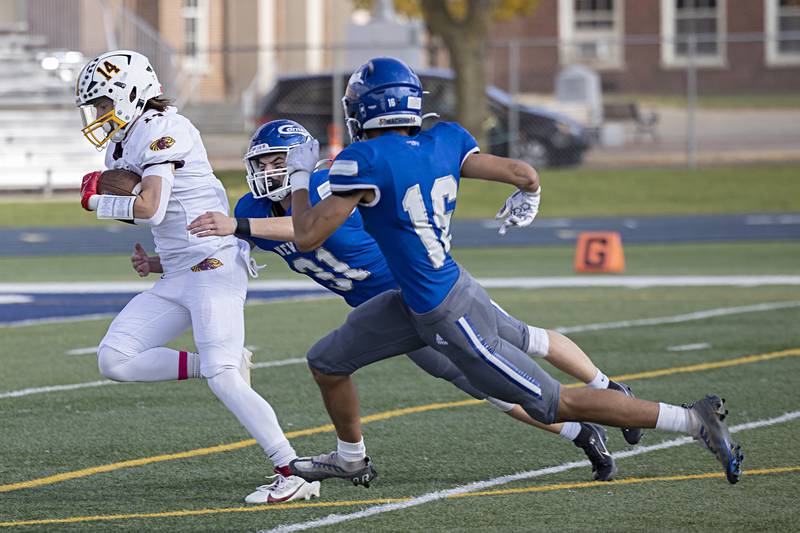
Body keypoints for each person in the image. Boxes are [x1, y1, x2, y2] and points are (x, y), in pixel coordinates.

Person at [282, 57, 743, 487]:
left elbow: (306, 235)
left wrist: (301, 178)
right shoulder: (444, 139)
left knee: (555, 404)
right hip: (432, 292)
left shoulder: (365, 161)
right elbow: (524, 171)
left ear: (365, 110)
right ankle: (350, 457)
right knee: (327, 362)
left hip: (446, 314)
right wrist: (530, 197)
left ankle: (691, 420)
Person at [188, 119, 647, 482]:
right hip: (389, 313)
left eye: (274, 161)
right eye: (260, 163)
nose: (265, 171)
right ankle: (582, 432)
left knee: (520, 338)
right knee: (483, 384)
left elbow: (304, 232)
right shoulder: (250, 210)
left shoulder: (329, 182)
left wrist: (239, 227)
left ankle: (607, 389)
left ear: (299, 160)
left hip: (425, 288)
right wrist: (160, 260)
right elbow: (234, 245)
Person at [74, 50, 320, 504]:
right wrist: (158, 262)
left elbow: (151, 206)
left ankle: (293, 470)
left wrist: (93, 202)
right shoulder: (120, 143)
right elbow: (160, 214)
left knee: (225, 376)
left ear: (130, 94)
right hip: (181, 269)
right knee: (116, 359)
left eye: (104, 103)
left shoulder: (166, 127)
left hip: (213, 265)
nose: (100, 115)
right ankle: (218, 362)